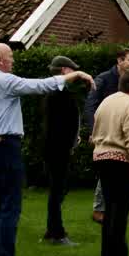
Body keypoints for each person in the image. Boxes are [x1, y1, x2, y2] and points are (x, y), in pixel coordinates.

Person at [0, 43, 94, 256]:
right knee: (10, 206)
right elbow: (39, 85)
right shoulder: (3, 81)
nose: (13, 61)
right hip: (5, 146)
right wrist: (75, 75)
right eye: (10, 57)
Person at [91, 68, 129, 256]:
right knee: (120, 210)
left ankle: (107, 253)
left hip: (101, 158)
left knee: (109, 207)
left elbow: (95, 129)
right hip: (122, 161)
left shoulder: (106, 102)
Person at [84, 48, 129, 224]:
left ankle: (117, 209)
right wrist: (93, 131)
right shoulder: (104, 79)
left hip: (122, 132)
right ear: (119, 61)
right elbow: (90, 106)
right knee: (107, 171)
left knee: (122, 171)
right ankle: (99, 209)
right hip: (105, 133)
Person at [42, 56, 84, 245]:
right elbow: (59, 126)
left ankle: (53, 229)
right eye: (72, 70)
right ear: (65, 71)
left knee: (59, 190)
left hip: (59, 148)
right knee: (57, 190)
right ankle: (56, 233)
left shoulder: (59, 93)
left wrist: (74, 137)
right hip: (57, 149)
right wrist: (69, 143)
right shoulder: (56, 94)